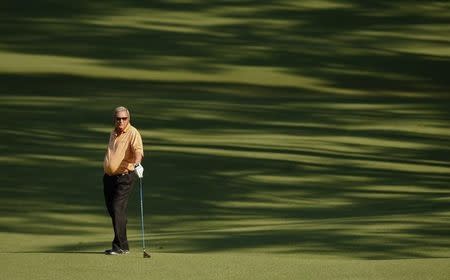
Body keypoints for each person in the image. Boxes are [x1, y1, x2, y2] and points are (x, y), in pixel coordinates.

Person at [103, 106, 144, 255]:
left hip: (124, 177)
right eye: (118, 118)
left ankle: (119, 246)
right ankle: (123, 245)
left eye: (124, 118)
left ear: (129, 119)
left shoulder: (133, 133)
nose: (121, 121)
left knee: (117, 208)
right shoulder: (113, 133)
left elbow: (138, 151)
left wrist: (138, 164)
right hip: (108, 178)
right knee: (114, 211)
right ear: (114, 119)